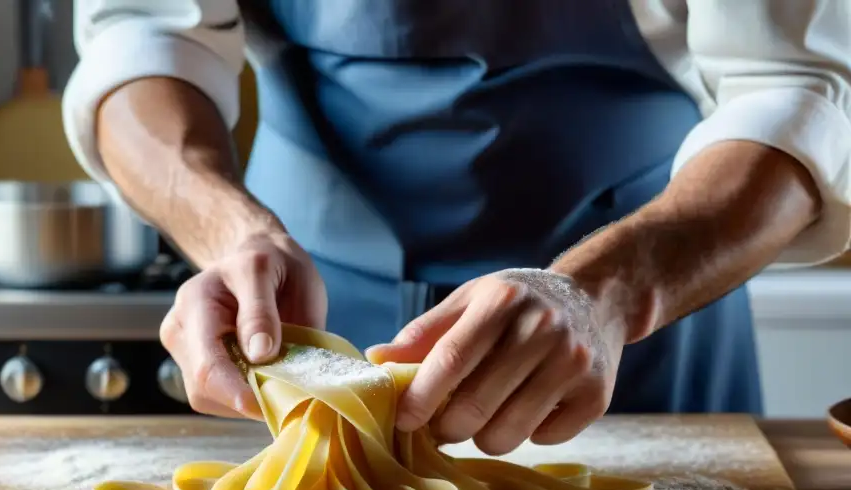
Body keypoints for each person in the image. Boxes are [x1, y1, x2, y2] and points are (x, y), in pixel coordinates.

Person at [64, 0, 850, 454]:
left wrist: (604, 294)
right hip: (304, 318)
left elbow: (800, 86)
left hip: (640, 311)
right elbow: (140, 38)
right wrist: (231, 233)